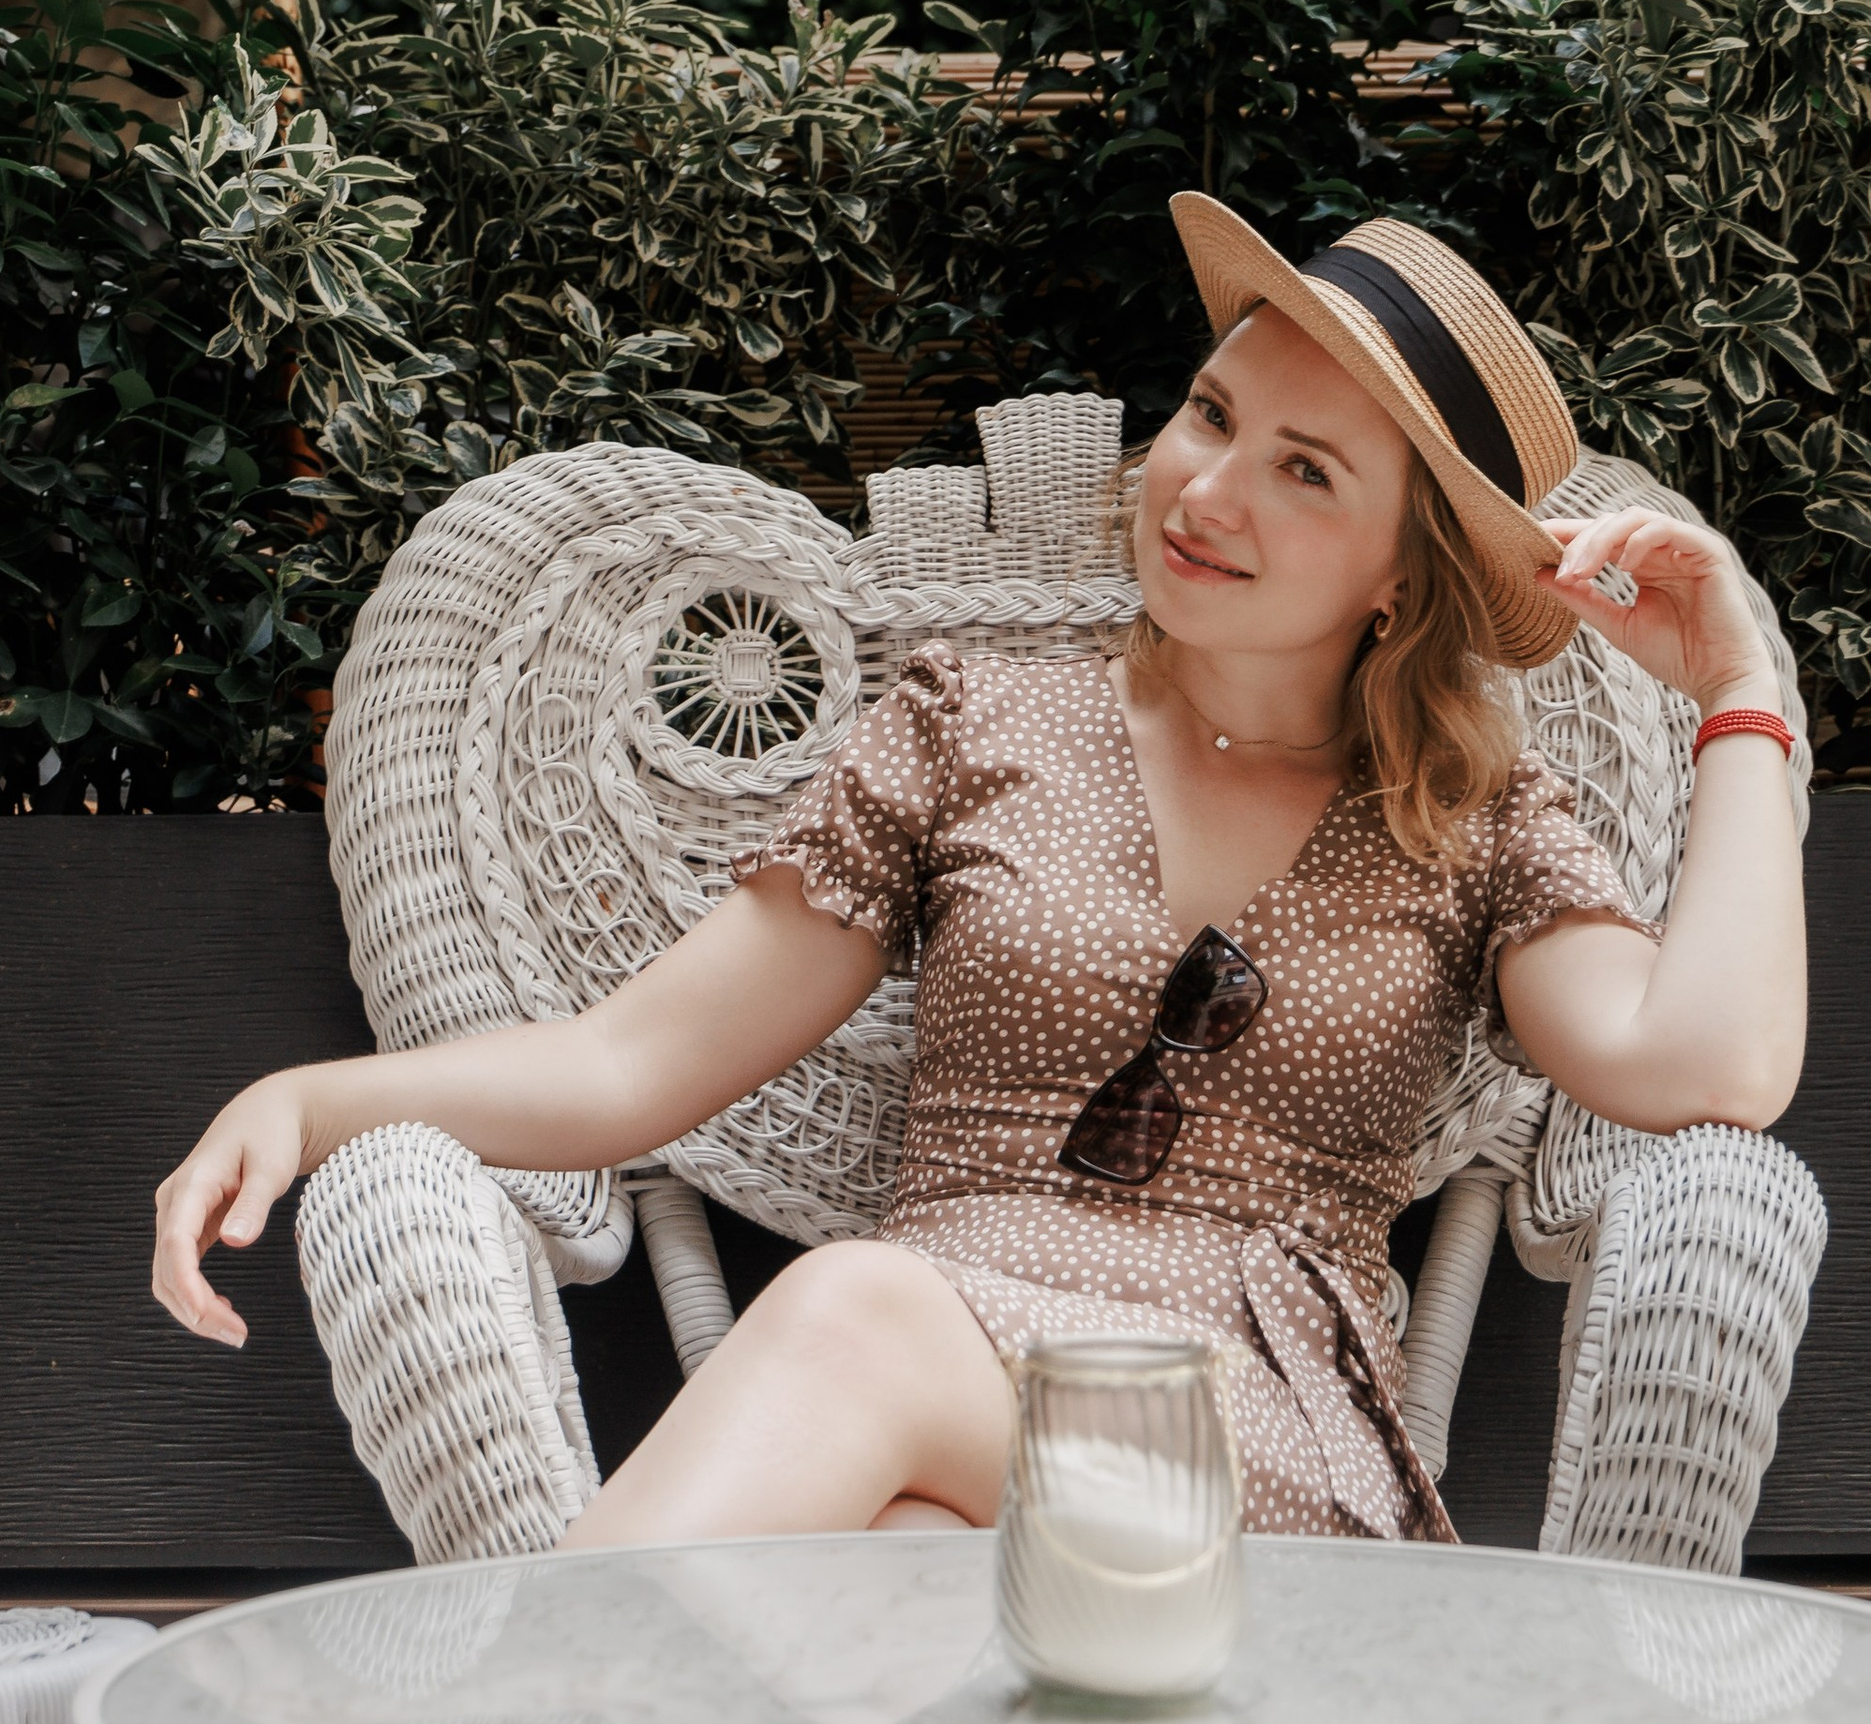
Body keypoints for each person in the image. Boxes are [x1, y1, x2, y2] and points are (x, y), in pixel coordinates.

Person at [150, 201, 1809, 1546]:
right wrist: (311, 1101)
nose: (1208, 491)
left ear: (1402, 573)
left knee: (851, 1315)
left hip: (1245, 1445)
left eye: (1308, 471)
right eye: (1213, 414)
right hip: (938, 1410)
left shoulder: (1473, 817)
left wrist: (1738, 687)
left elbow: (1711, 1065)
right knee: (888, 1588)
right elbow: (632, 1060)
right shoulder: (970, 722)